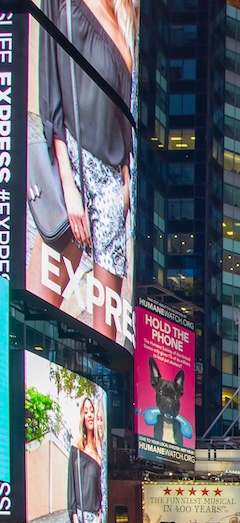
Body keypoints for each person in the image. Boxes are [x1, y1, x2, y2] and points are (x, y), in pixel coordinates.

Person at [38, 0, 135, 343]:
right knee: (36, 309)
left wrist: (124, 191)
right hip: (74, 167)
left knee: (106, 343)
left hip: (113, 185)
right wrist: (68, 183)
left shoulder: (127, 17)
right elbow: (50, 86)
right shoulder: (63, 2)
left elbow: (128, 117)